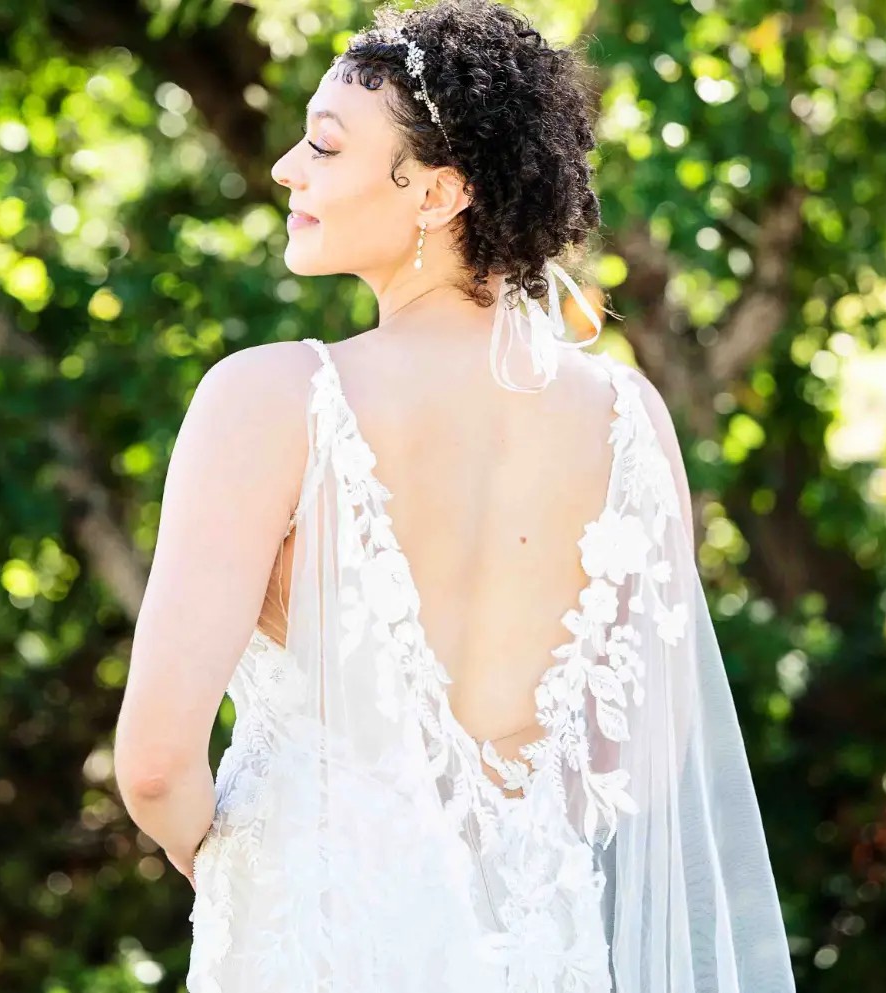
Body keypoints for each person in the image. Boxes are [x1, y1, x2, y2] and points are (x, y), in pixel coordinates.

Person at [113, 1, 797, 990]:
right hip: (533, 948)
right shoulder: (626, 416)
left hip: (319, 940)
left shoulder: (270, 400)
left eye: (325, 146)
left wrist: (215, 850)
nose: (286, 170)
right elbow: (643, 761)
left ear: (437, 192)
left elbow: (151, 766)